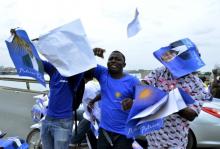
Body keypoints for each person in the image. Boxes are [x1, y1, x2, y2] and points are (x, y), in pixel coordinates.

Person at [142, 66, 211, 148]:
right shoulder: (161, 71)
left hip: (175, 138)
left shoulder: (197, 84)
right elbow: (143, 84)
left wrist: (170, 102)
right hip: (153, 135)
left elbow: (191, 115)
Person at [85, 48, 140, 149]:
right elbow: (84, 65)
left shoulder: (133, 81)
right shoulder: (102, 73)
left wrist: (134, 101)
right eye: (111, 59)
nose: (113, 61)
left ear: (124, 65)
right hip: (104, 131)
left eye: (118, 59)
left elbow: (148, 99)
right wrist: (91, 53)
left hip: (124, 134)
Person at [40, 60, 83, 149]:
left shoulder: (73, 75)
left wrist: (91, 54)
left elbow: (81, 66)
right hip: (48, 119)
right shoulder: (53, 69)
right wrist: (26, 46)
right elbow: (36, 60)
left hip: (63, 123)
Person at [71, 78, 101, 149]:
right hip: (88, 113)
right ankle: (83, 134)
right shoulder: (97, 83)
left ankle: (80, 137)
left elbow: (75, 104)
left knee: (73, 140)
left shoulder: (85, 87)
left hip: (91, 118)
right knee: (73, 113)